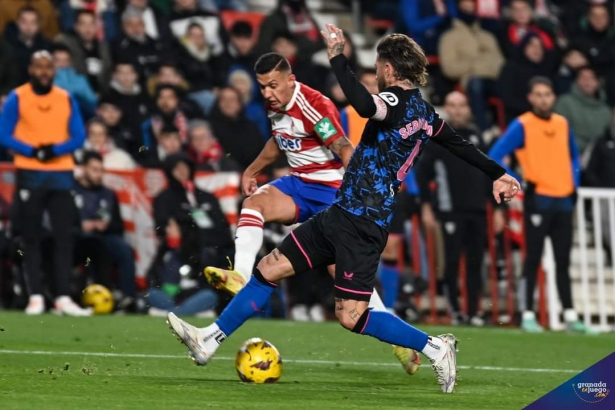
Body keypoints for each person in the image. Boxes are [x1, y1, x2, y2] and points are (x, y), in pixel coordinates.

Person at [168, 29, 521, 393]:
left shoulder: (395, 102)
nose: (377, 72)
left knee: (351, 316)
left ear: (387, 67)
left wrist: (337, 56)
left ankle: (435, 347)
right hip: (341, 212)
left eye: (378, 66)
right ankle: (208, 340)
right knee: (269, 268)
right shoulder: (427, 114)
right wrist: (499, 173)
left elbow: (365, 106)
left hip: (363, 223)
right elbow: (459, 144)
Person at [205, 52, 423, 375]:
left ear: (290, 80)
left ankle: (401, 340)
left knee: (347, 282)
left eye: (273, 86)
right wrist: (252, 169)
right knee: (254, 205)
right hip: (299, 185)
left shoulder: (315, 106)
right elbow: (279, 141)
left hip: (330, 192)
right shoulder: (274, 102)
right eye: (263, 86)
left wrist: (362, 195)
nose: (267, 93)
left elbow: (344, 147)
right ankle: (239, 275)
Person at [489, 76, 594, 334]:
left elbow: (574, 158)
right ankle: (527, 313)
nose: (543, 99)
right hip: (538, 199)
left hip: (564, 201)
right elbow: (495, 153)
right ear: (530, 98)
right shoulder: (523, 124)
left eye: (547, 94)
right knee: (532, 259)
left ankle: (570, 314)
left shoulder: (562, 123)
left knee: (562, 260)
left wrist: (574, 186)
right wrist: (515, 179)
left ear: (553, 97)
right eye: (538, 94)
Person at [0, 51, 90, 316]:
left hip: (61, 174)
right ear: (31, 69)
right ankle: (36, 296)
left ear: (54, 71)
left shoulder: (65, 97)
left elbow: (79, 136)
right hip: (30, 172)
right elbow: (4, 133)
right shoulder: (18, 97)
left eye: (48, 67)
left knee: (64, 237)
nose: (43, 71)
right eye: (39, 67)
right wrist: (32, 151)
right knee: (31, 237)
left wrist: (53, 150)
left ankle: (63, 297)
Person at [415, 91, 492, 326]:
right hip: (450, 210)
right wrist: (427, 206)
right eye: (453, 105)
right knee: (450, 260)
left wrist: (495, 208)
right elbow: (422, 174)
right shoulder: (438, 138)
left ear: (468, 108)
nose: (458, 110)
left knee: (475, 261)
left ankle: (472, 311)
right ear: (446, 108)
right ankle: (455, 310)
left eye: (461, 105)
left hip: (477, 209)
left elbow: (488, 172)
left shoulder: (478, 137)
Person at [149, 153, 231, 315]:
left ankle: (174, 314)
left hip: (208, 261)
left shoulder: (207, 198)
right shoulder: (164, 199)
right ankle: (183, 312)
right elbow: (163, 229)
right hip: (177, 260)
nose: (182, 171)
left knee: (209, 295)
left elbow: (224, 232)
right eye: (176, 168)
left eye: (185, 167)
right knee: (152, 294)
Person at [74, 151, 137, 307]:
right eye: (94, 170)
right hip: (77, 238)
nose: (98, 174)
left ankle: (127, 297)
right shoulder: (71, 192)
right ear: (83, 169)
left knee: (124, 249)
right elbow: (61, 222)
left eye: (101, 170)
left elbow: (119, 226)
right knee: (93, 246)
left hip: (104, 236)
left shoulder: (108, 194)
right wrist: (82, 225)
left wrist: (106, 225)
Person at [438, 0, 504, 132]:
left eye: (471, 6)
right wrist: (480, 63)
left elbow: (500, 63)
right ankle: (484, 130)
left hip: (494, 78)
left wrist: (472, 62)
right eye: (465, 6)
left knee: (513, 84)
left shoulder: (487, 36)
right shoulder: (449, 37)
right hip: (470, 81)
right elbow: (450, 68)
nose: (469, 10)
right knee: (476, 83)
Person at [554, 66, 612, 154]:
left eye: (591, 78)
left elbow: (609, 138)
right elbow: (558, 133)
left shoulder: (606, 110)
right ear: (577, 81)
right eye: (583, 78)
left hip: (599, 158)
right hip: (571, 154)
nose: (587, 82)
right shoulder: (565, 103)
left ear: (597, 82)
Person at [54, 10, 113, 93]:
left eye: (91, 24)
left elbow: (108, 73)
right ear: (76, 26)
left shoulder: (104, 47)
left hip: (101, 95)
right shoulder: (66, 46)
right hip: (74, 93)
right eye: (83, 24)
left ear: (96, 27)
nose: (87, 29)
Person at [4, 7, 52, 85]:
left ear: (39, 25)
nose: (28, 26)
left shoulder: (47, 46)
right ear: (18, 23)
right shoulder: (6, 45)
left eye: (33, 22)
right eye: (24, 22)